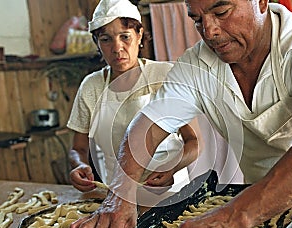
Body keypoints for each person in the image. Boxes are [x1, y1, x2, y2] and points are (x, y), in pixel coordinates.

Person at [68, 0, 292, 228]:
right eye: (197, 19)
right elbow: (147, 126)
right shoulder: (197, 65)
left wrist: (230, 220)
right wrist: (120, 192)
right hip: (261, 208)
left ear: (261, 2)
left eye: (221, 11)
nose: (209, 31)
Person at [67, 0, 201, 195]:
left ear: (139, 36)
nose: (117, 48)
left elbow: (194, 142)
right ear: (97, 43)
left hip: (170, 192)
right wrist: (79, 165)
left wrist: (171, 168)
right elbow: (78, 148)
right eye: (105, 39)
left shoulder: (164, 76)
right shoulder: (91, 86)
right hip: (117, 194)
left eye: (125, 36)